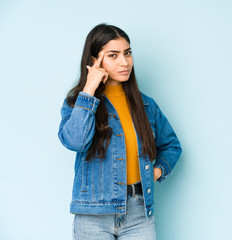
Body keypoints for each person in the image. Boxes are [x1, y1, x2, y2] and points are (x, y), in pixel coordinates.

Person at [57, 23, 182, 240]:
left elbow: (171, 145)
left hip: (139, 213)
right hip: (93, 215)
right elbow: (75, 142)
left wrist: (156, 171)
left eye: (128, 53)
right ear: (95, 61)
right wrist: (89, 89)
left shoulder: (147, 106)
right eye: (113, 55)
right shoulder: (78, 103)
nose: (124, 62)